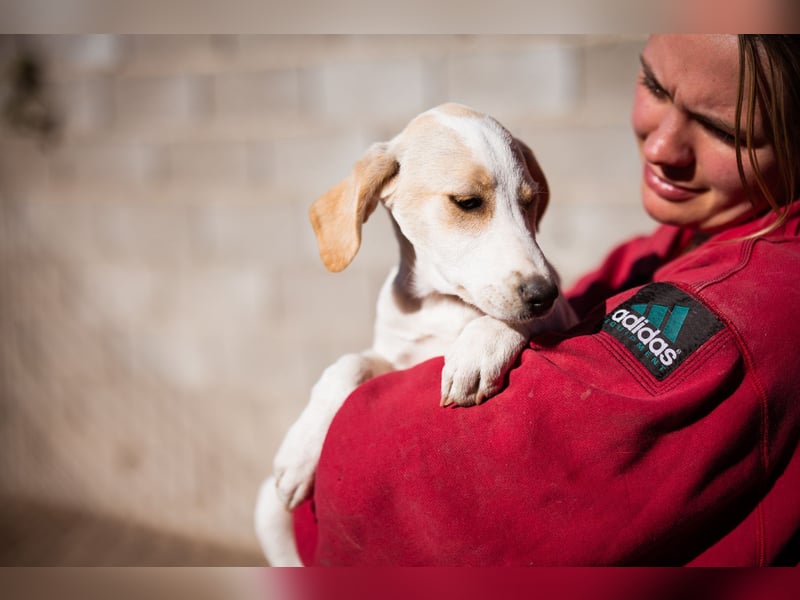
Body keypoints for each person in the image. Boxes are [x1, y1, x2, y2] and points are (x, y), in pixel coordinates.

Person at [290, 34, 800, 566]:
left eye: (724, 129)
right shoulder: (658, 250)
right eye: (654, 85)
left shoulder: (746, 306)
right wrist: (338, 386)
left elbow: (438, 494)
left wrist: (502, 327)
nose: (660, 149)